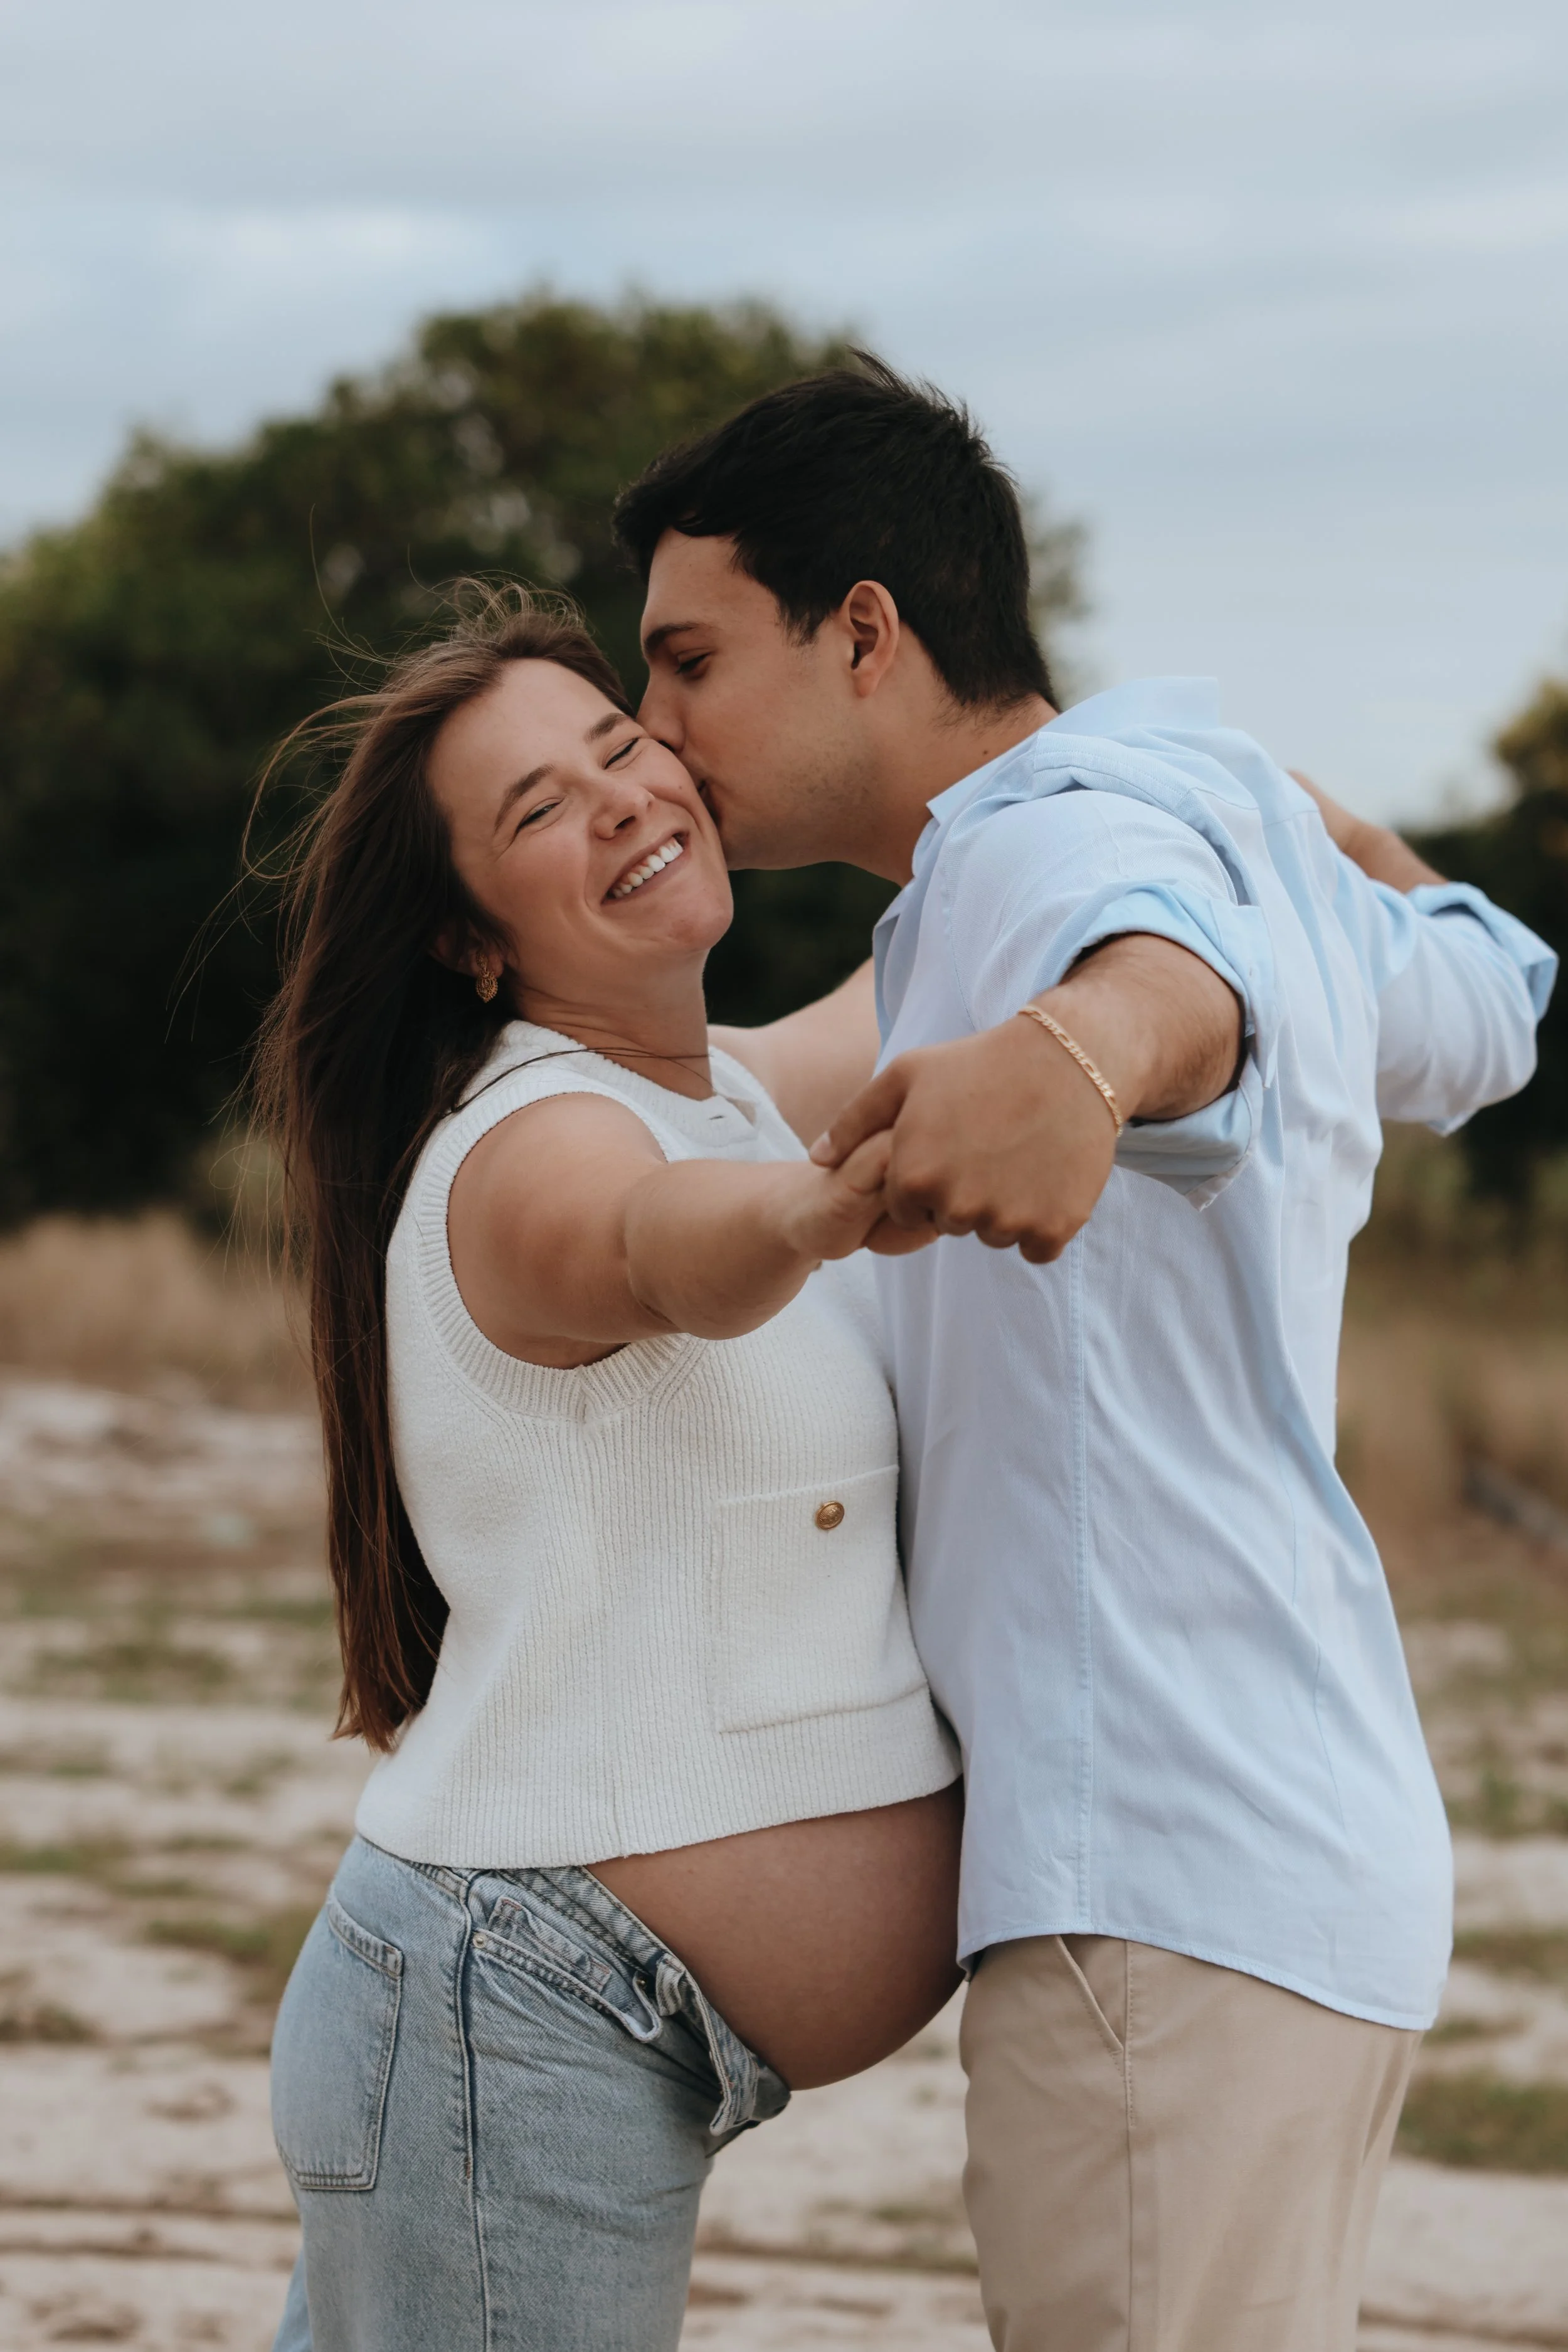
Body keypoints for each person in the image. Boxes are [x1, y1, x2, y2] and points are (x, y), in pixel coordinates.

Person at [614, 359, 1556, 2352]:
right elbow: (1492, 990)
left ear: (863, 630)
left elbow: (1156, 980)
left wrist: (1086, 1050)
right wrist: (1275, 811)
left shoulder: (1044, 852)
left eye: (689, 658)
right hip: (1294, 1848)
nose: (657, 726)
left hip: (1165, 1865)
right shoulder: (1165, 835)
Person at [258, 591, 967, 2352]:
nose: (624, 796)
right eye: (538, 810)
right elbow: (656, 1245)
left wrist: (1204, 799)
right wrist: (810, 1212)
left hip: (552, 2029)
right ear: (472, 941)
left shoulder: (715, 1082)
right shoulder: (529, 1151)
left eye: (620, 744)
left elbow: (932, 959)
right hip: (517, 2019)